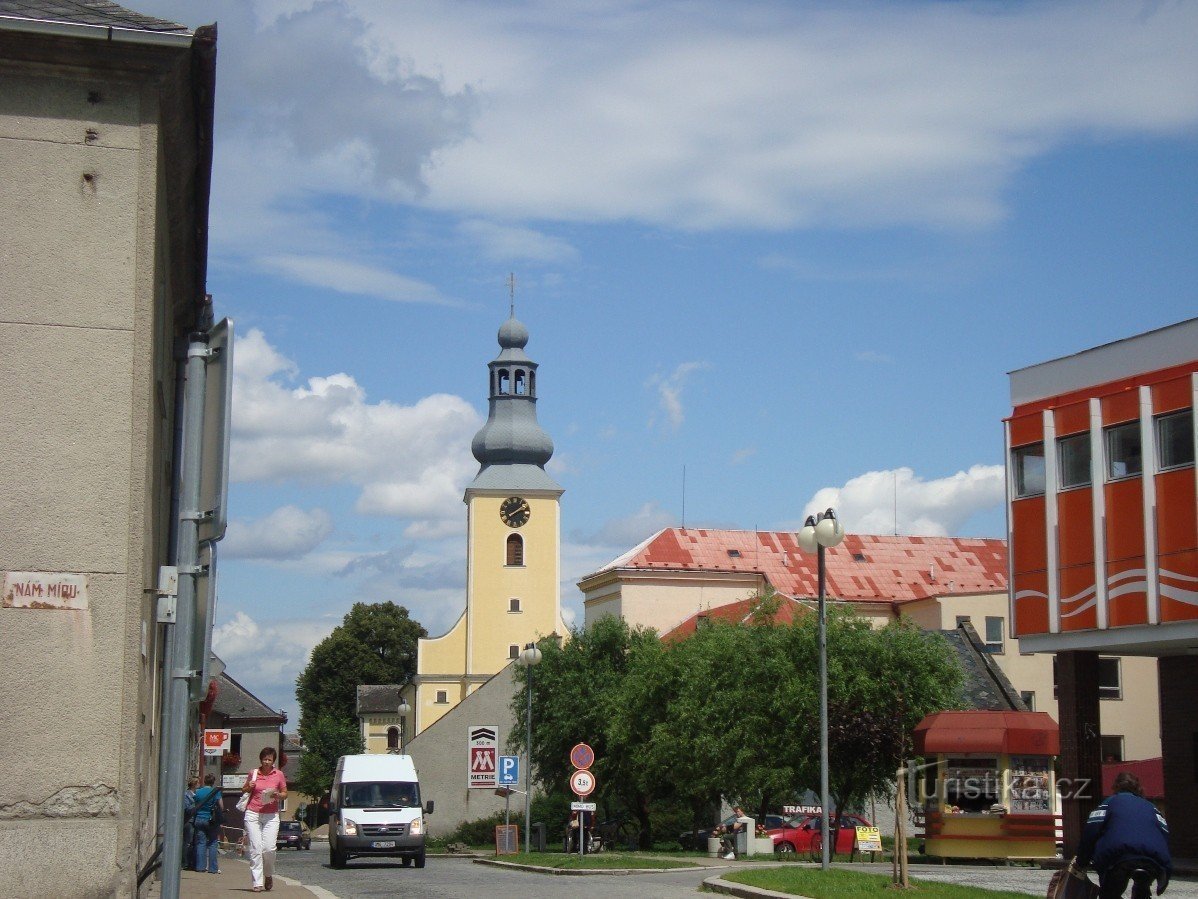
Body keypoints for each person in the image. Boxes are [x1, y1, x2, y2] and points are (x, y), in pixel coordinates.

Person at [1077, 772, 1171, 899]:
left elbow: (1091, 832)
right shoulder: (1152, 808)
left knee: (1109, 894)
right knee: (1142, 887)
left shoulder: (1108, 804)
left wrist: (1082, 861)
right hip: (1153, 858)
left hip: (1118, 857)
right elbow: (1165, 834)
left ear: (1115, 787)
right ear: (1138, 788)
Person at [240, 747, 287, 892]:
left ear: (273, 761)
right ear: (261, 759)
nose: (267, 762)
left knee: (269, 849)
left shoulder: (278, 774)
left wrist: (278, 795)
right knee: (256, 848)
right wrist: (249, 786)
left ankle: (268, 874)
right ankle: (257, 882)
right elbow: (244, 790)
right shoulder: (253, 773)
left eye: (270, 760)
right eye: (265, 759)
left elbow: (285, 793)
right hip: (253, 813)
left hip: (271, 815)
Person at [192, 773, 224, 874]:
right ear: (213, 782)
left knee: (201, 843)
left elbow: (194, 803)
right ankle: (213, 868)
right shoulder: (215, 792)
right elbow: (221, 806)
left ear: (204, 781)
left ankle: (200, 867)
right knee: (213, 842)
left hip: (199, 819)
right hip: (211, 820)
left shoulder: (198, 792)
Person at [182, 778, 199, 870]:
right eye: (198, 783)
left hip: (193, 820)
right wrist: (195, 806)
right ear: (194, 785)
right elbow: (186, 809)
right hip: (188, 821)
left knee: (191, 842)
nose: (199, 785)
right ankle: (184, 862)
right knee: (187, 842)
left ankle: (190, 862)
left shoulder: (195, 795)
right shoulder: (187, 795)